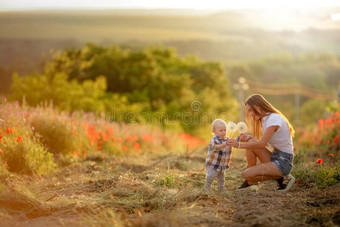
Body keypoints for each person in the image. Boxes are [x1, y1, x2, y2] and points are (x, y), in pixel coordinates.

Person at [227, 94, 295, 192]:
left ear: (258, 106)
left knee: (246, 174)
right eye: (248, 111)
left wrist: (238, 145)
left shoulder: (273, 118)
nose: (250, 114)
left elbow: (262, 144)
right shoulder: (265, 119)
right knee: (251, 142)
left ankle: (283, 177)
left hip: (283, 162)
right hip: (276, 157)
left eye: (250, 110)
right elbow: (267, 142)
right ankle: (252, 182)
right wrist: (250, 138)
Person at [205, 119, 232, 191]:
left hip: (222, 163)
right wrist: (221, 145)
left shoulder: (227, 139)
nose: (224, 132)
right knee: (211, 175)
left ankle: (221, 188)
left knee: (222, 177)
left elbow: (232, 143)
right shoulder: (214, 139)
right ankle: (207, 187)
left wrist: (237, 139)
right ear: (214, 131)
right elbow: (214, 146)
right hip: (213, 163)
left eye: (225, 130)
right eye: (221, 130)